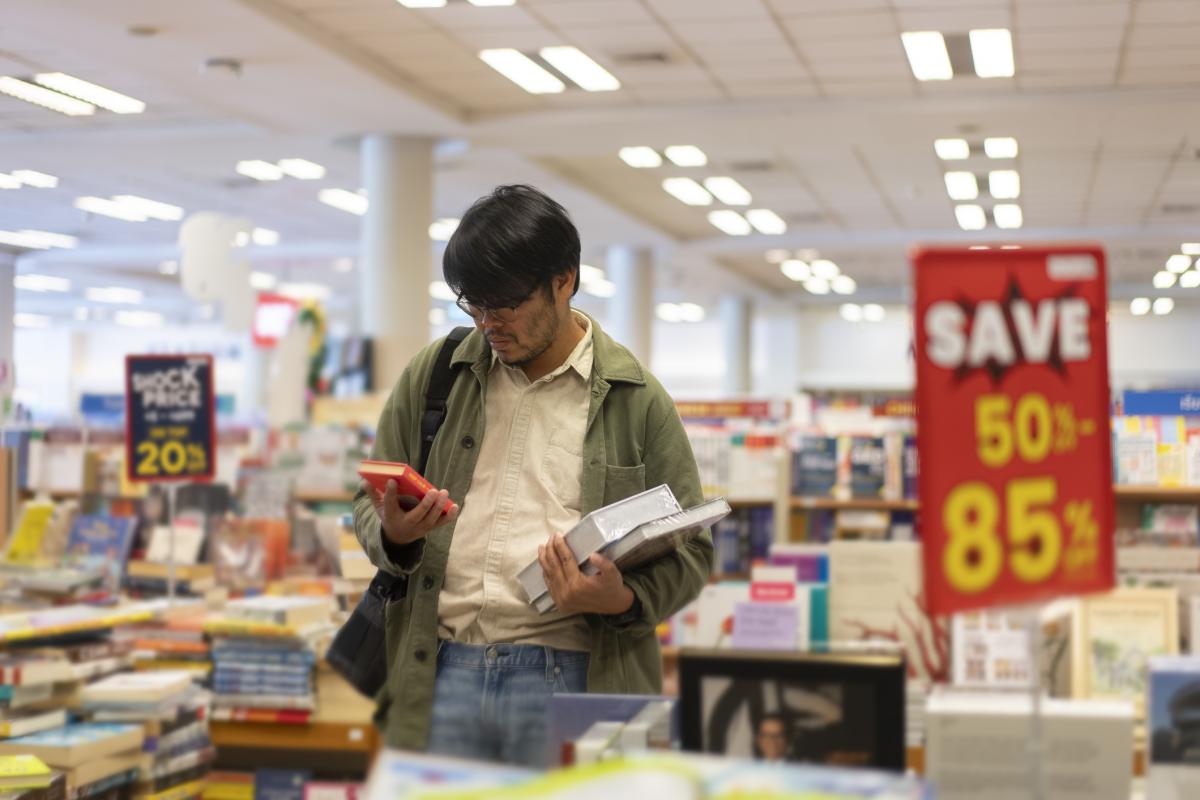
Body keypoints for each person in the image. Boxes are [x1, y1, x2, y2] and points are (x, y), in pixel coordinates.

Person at [352, 184, 713, 766]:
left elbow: (693, 550)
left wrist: (620, 597)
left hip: (576, 677)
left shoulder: (638, 399)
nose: (488, 323)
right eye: (473, 304)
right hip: (438, 670)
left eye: (505, 304)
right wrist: (393, 532)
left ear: (563, 280)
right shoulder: (437, 373)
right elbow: (368, 504)